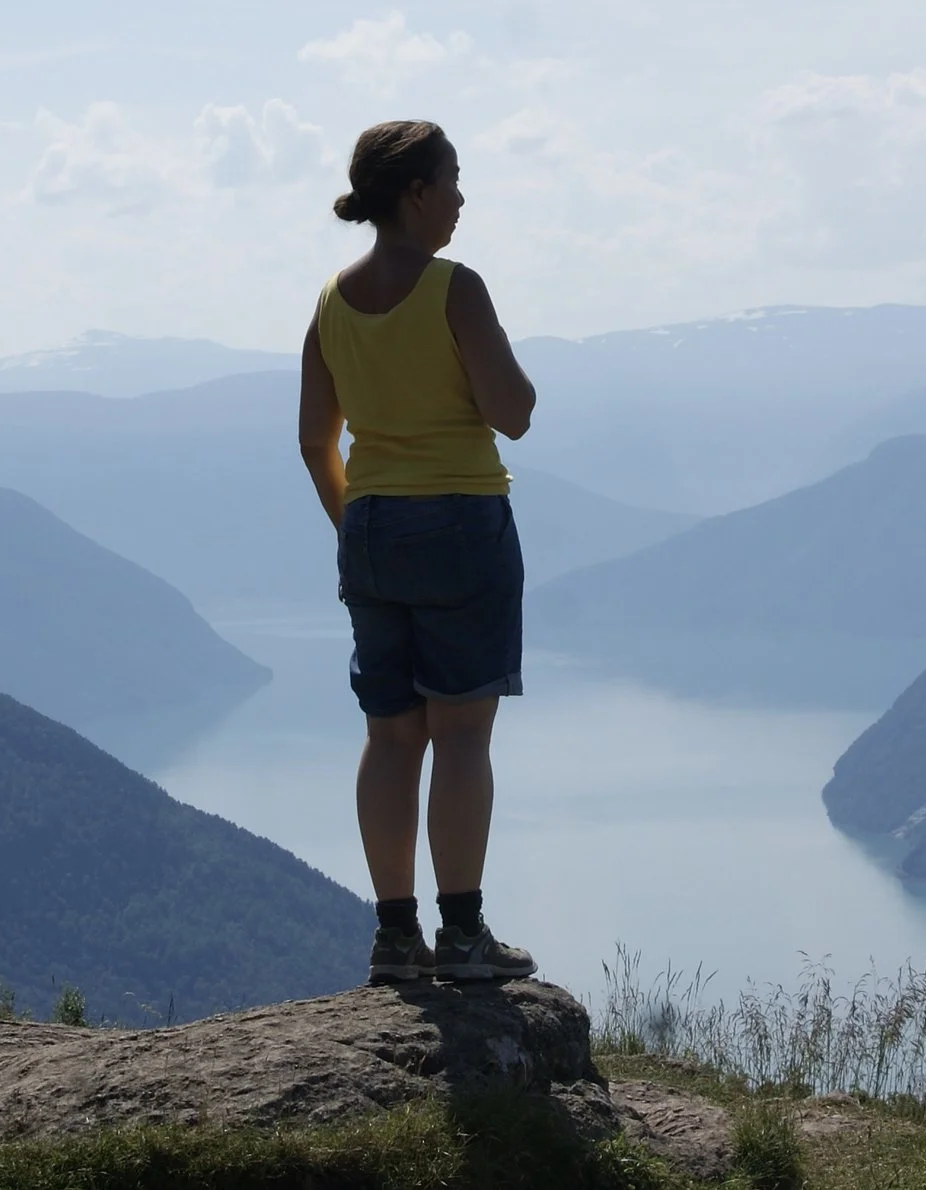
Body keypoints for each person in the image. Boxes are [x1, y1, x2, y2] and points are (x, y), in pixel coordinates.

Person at [299, 120, 540, 985]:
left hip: (370, 529)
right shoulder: (453, 289)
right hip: (461, 523)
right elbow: (512, 410)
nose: (463, 199)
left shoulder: (330, 300)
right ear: (416, 194)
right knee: (463, 731)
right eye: (455, 180)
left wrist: (355, 526)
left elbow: (312, 441)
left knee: (391, 736)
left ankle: (395, 940)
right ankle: (464, 937)